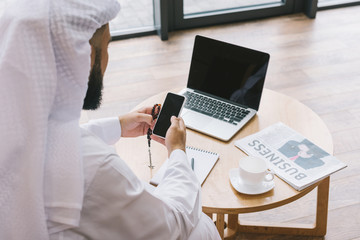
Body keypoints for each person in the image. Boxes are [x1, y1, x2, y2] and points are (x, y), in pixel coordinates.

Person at [0, 0, 221, 239]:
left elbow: (53, 142)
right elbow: (173, 225)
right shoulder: (97, 167)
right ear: (84, 58)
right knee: (199, 222)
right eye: (106, 47)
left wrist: (117, 125)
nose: (106, 59)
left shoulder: (13, 119)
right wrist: (178, 152)